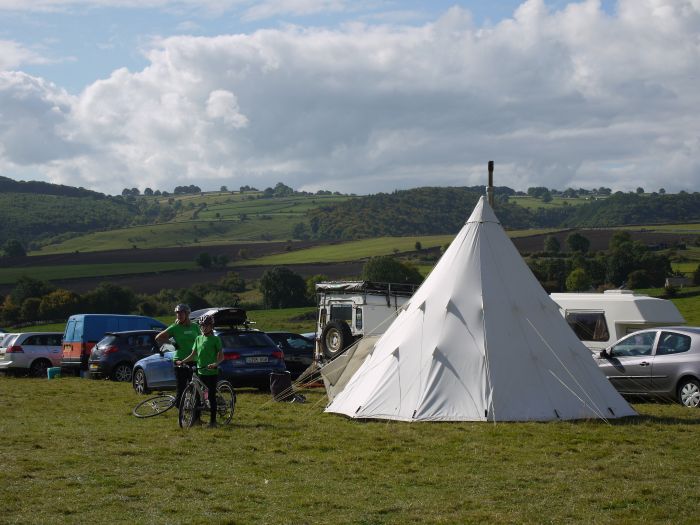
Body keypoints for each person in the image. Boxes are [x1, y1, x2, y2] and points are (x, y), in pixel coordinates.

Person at [176, 314, 223, 428]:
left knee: (211, 396)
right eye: (202, 326)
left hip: (211, 372)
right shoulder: (198, 338)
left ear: (211, 326)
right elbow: (193, 355)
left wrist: (215, 364)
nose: (204, 328)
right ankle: (196, 420)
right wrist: (182, 361)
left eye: (206, 326)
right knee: (197, 396)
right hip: (200, 371)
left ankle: (213, 422)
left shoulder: (215, 339)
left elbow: (221, 357)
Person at [155, 303, 200, 408]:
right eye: (177, 313)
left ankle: (196, 414)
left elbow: (201, 340)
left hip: (194, 359)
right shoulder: (175, 327)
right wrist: (172, 342)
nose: (178, 315)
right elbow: (158, 338)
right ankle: (181, 411)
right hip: (179, 360)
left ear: (187, 314)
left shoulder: (195, 327)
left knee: (196, 388)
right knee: (181, 387)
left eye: (181, 313)